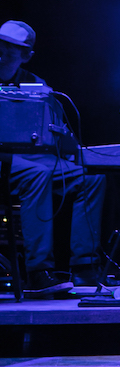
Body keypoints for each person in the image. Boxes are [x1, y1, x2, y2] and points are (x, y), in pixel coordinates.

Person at [0, 20, 106, 296]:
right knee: (37, 175)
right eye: (0, 44)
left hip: (30, 158)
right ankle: (37, 272)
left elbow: (57, 131)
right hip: (7, 160)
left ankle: (84, 267)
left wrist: (74, 149)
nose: (2, 51)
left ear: (26, 55)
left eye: (10, 48)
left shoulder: (36, 85)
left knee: (91, 177)